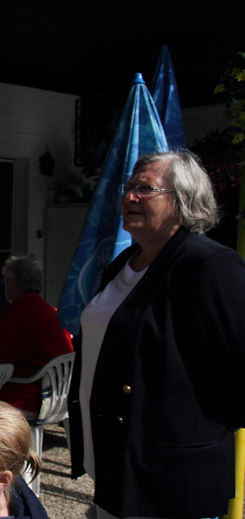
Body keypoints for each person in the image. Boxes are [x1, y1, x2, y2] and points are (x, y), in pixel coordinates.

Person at [67, 151, 245, 519]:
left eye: (145, 188)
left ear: (183, 200)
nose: (130, 196)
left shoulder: (208, 264)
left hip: (170, 476)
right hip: (116, 463)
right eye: (129, 187)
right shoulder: (123, 263)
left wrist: (190, 433)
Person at [0, 255, 73, 420]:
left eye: (5, 281)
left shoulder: (15, 316)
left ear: (13, 284)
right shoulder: (51, 311)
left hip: (26, 399)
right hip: (59, 394)